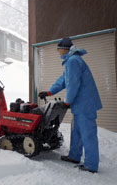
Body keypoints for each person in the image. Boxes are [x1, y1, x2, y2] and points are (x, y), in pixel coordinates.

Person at [38, 37, 102, 173]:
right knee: (77, 132)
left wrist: (67, 101)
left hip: (85, 105)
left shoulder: (73, 61)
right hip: (80, 106)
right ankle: (74, 156)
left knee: (87, 134)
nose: (58, 52)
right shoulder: (71, 61)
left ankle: (91, 165)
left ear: (64, 49)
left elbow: (73, 84)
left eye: (58, 49)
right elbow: (63, 80)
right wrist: (49, 92)